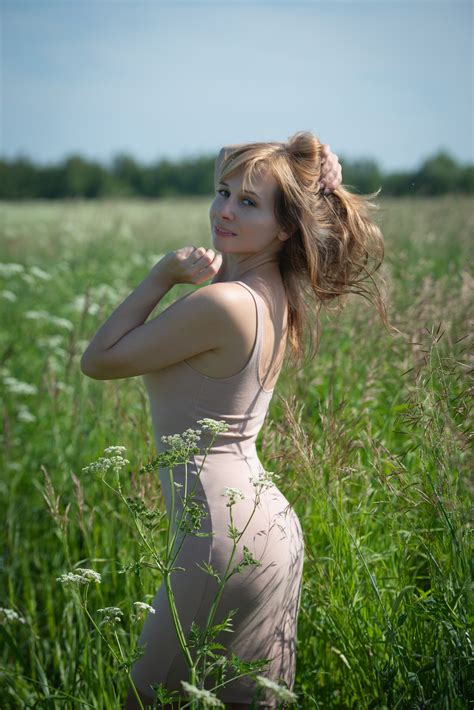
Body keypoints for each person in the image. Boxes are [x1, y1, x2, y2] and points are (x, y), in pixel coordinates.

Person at [81, 132, 385, 709]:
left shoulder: (221, 304)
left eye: (249, 202)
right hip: (269, 532)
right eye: (222, 192)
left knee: (146, 702)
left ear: (287, 225)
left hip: (219, 541)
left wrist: (161, 276)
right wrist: (310, 168)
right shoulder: (271, 293)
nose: (223, 210)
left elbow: (98, 361)